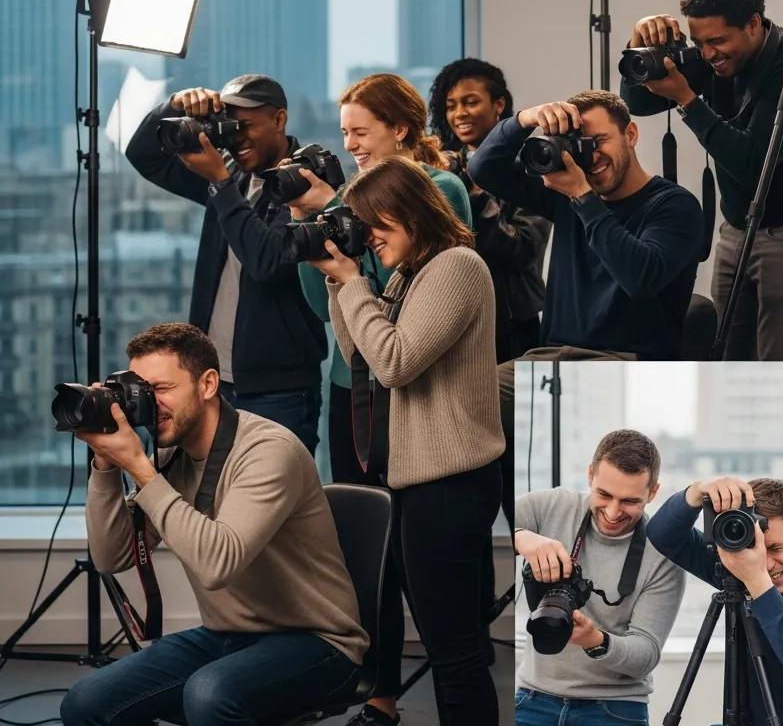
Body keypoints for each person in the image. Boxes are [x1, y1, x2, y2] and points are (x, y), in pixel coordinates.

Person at [60, 322, 368, 726]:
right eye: (140, 392)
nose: (150, 405)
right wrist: (104, 464)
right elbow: (110, 556)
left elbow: (217, 564)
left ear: (207, 384)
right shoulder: (173, 457)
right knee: (85, 702)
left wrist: (139, 467)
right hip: (229, 636)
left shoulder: (267, 450)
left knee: (209, 694)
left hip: (319, 643)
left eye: (162, 389)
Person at [310, 156, 504, 726]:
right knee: (450, 645)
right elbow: (360, 358)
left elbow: (396, 362)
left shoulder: (456, 267)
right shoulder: (406, 274)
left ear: (409, 212)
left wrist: (354, 286)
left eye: (374, 224)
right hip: (420, 483)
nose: (366, 237)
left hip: (451, 484)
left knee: (454, 651)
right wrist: (339, 282)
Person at [622, 0, 783, 359]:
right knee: (726, 359)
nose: (708, 55)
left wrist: (689, 101)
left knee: (780, 363)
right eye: (700, 42)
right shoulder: (714, 56)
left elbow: (756, 164)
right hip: (737, 229)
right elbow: (638, 103)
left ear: (753, 23)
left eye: (718, 41)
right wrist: (639, 39)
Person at [284, 72, 471, 484]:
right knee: (359, 517)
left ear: (400, 129)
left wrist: (335, 208)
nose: (349, 145)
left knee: (404, 523)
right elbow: (324, 308)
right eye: (344, 132)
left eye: (361, 132)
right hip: (350, 380)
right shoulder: (347, 198)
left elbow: (401, 289)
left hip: (408, 381)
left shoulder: (441, 188)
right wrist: (306, 221)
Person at [125, 74, 325, 454]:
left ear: (280, 120)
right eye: (230, 127)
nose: (237, 139)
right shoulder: (230, 175)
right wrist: (175, 106)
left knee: (276, 502)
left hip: (279, 389)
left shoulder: (308, 182)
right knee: (210, 498)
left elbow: (267, 261)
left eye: (247, 126)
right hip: (214, 381)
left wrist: (219, 182)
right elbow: (143, 155)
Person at [468, 89, 703, 361]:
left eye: (600, 141)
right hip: (550, 358)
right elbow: (483, 169)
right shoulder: (566, 195)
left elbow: (640, 278)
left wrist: (583, 197)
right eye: (581, 145)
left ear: (630, 135)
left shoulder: (674, 206)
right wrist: (525, 119)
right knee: (469, 397)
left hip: (625, 362)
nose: (592, 156)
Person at [647, 474, 783, 726]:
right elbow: (662, 533)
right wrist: (697, 491)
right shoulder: (738, 565)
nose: (766, 563)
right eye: (756, 549)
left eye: (774, 548)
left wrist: (758, 583)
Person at [513, 430, 684, 726]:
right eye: (604, 494)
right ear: (591, 475)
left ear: (653, 492)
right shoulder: (551, 506)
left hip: (616, 709)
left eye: (630, 501)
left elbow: (645, 654)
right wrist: (522, 539)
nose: (613, 512)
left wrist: (596, 640)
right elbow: (476, 521)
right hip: (533, 699)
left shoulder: (664, 553)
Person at [428, 57, 551, 363]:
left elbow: (524, 247)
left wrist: (471, 191)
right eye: (451, 105)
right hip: (452, 317)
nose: (460, 114)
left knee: (514, 411)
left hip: (512, 322)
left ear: (499, 105)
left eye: (470, 102)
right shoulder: (440, 167)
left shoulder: (530, 164)